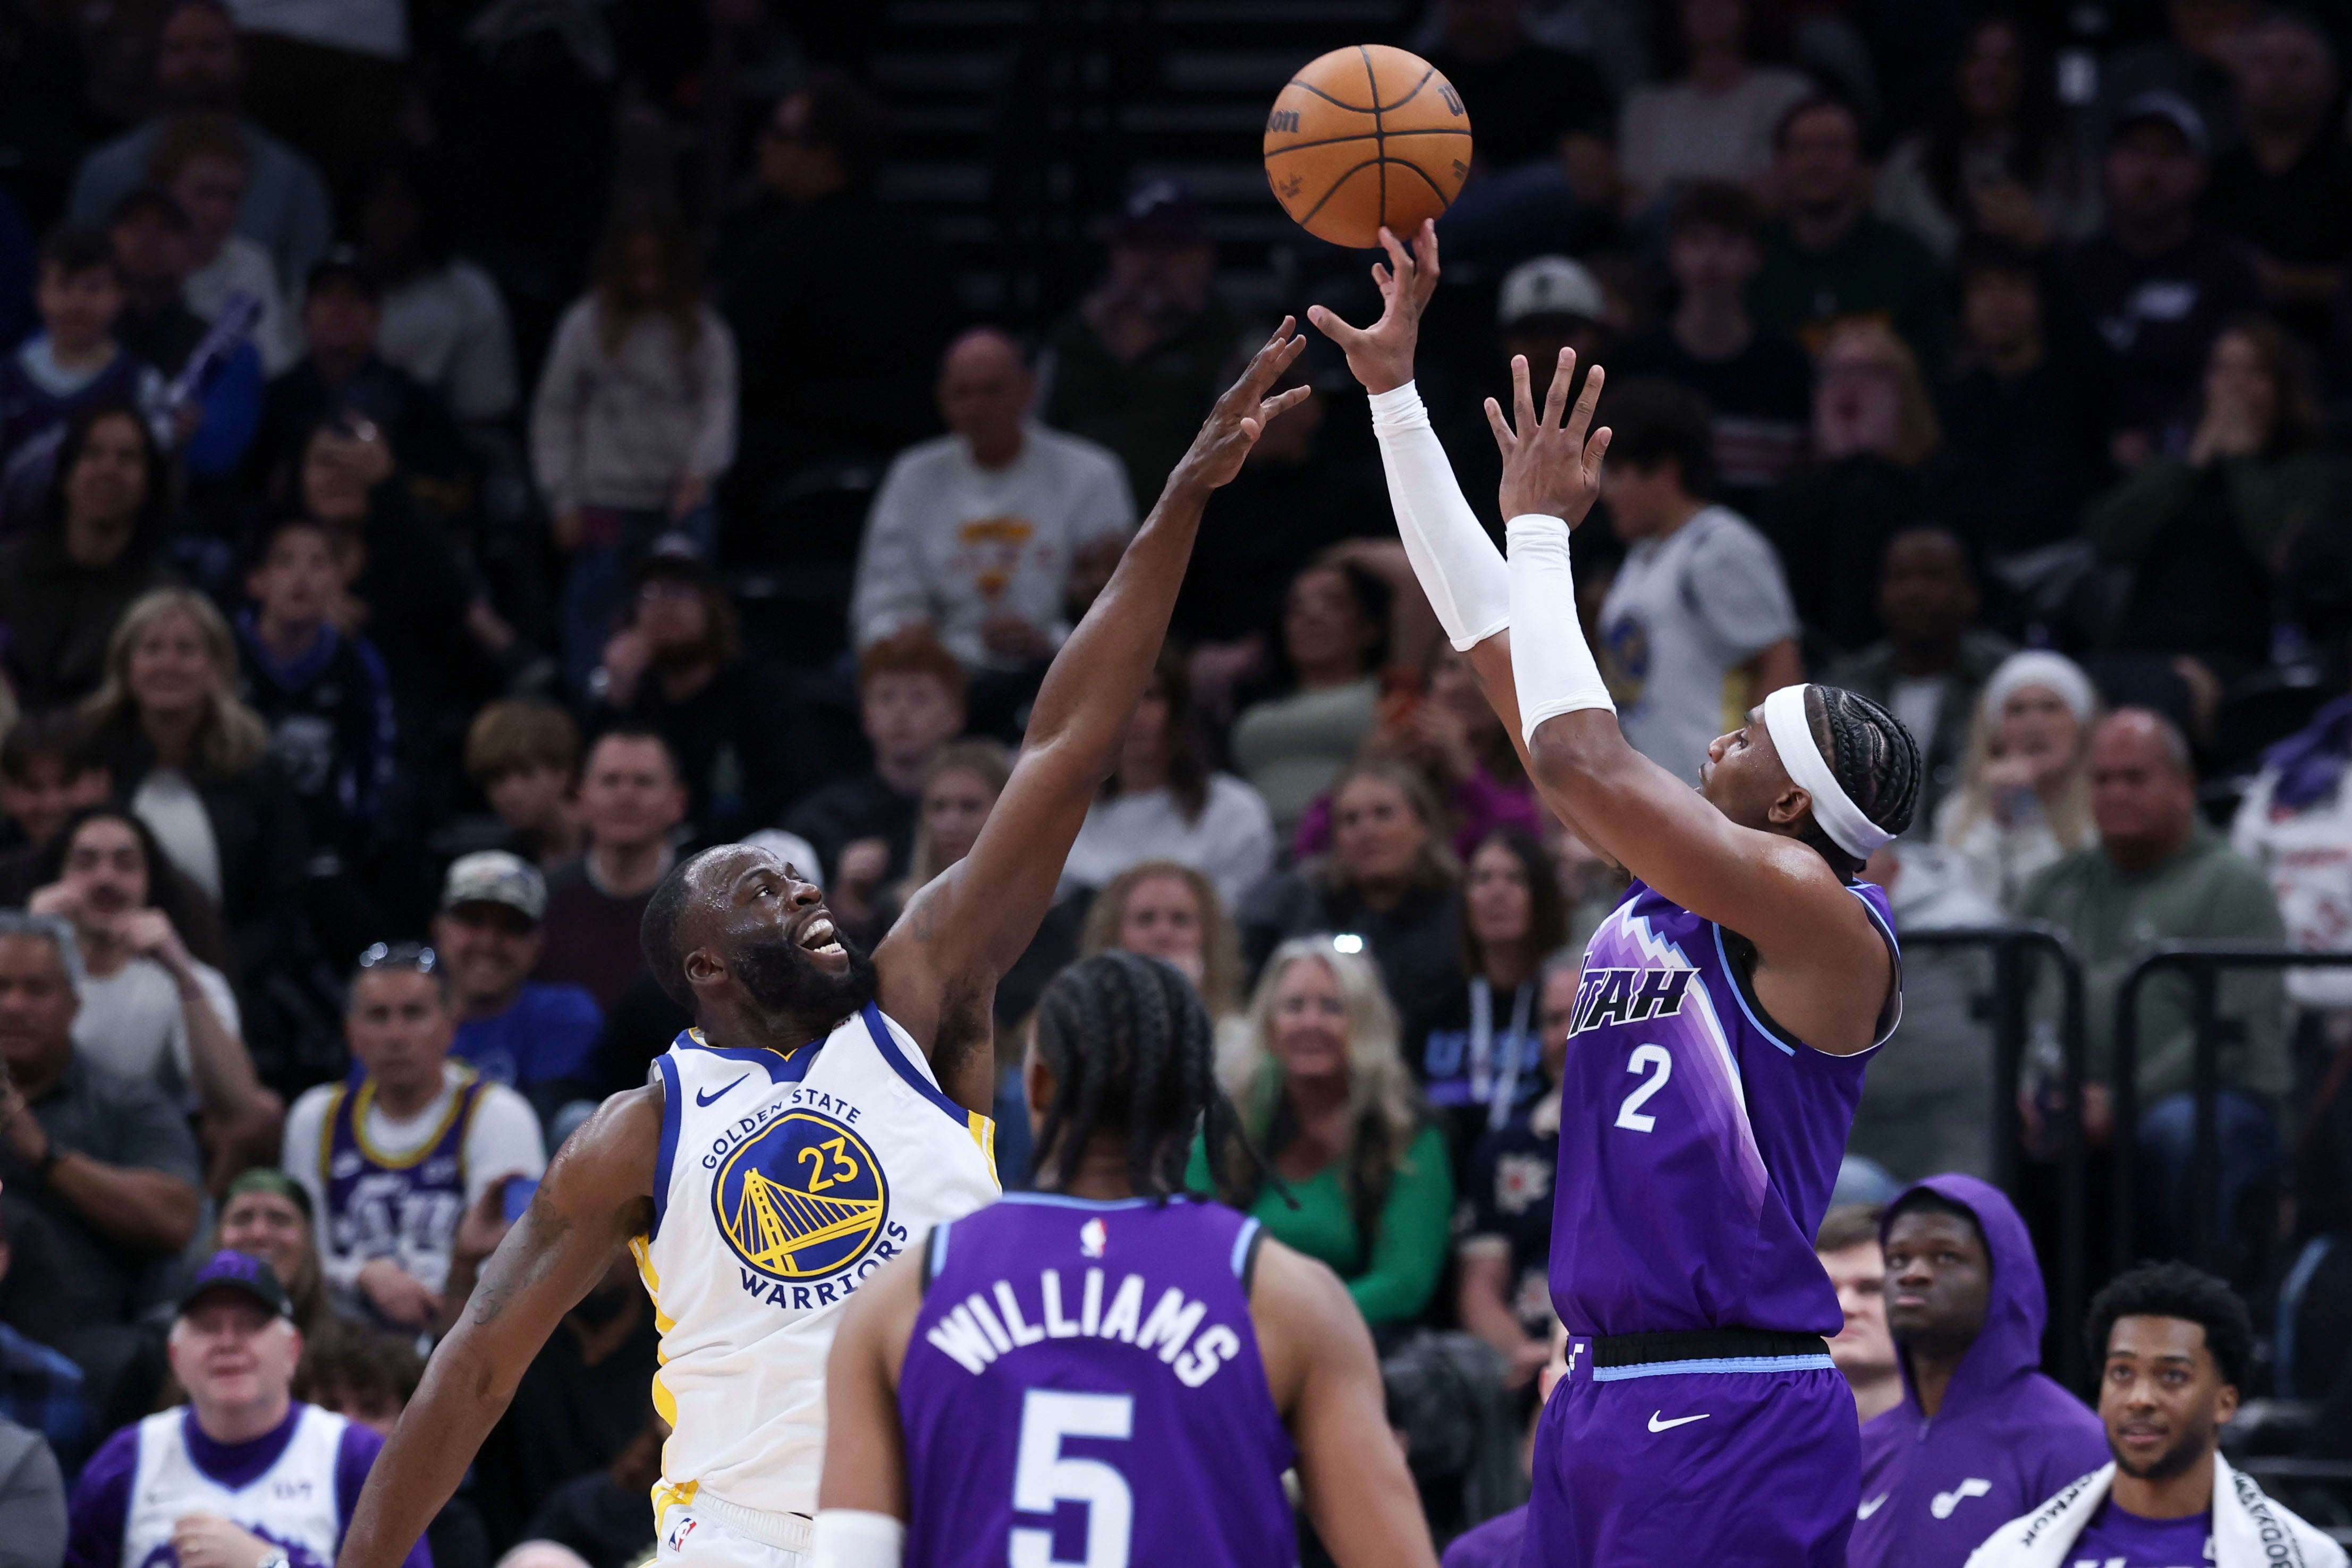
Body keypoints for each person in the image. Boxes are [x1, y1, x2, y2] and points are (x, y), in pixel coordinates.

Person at [332, 324, 1317, 1568]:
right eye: (759, 888)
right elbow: (474, 1370)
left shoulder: (919, 996)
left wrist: (1177, 500)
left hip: (943, 1526)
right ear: (704, 966)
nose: (798, 884)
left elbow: (1066, 743)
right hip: (739, 1533)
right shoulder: (639, 1129)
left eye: (795, 872)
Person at [1313, 218, 1919, 1566]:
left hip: (1729, 1405)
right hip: (1598, 1386)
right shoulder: (1676, 890)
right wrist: (1396, 401)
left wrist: (1542, 531)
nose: (1713, 737)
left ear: (1790, 805)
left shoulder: (1824, 920)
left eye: (1746, 733)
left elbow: (1576, 753)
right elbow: (1489, 637)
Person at [816, 950, 1440, 1568]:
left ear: (1039, 1084)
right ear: (1194, 1092)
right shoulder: (1285, 1296)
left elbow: (850, 1554)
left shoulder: (905, 1292)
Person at [2016, 709, 2291, 1261]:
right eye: (2102, 779)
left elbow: (2229, 1032)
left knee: (2179, 1130)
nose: (2116, 793)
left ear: (2184, 786)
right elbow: (2008, 1003)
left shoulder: (2233, 884)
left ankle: (2193, 1299)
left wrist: (2122, 1101)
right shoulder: (2055, 885)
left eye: (2135, 777)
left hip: (2212, 1101)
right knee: (1989, 1122)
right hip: (2072, 1099)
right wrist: (2024, 1086)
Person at [1964, 1261, 2348, 1568]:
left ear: (2226, 1403)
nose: (2140, 1399)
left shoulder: (2310, 1559)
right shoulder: (2008, 1554)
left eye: (2172, 1376)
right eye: (2122, 1373)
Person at [63, 1251, 430, 1568]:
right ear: (175, 1355)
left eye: (250, 1325)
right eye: (208, 1326)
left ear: (292, 1350)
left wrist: (269, 1564)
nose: (227, 1342)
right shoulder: (127, 1459)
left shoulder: (355, 1456)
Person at [282, 944, 547, 1335]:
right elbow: (301, 1260)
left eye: (414, 1013)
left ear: (450, 1025)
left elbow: (518, 1266)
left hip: (466, 1335)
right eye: (378, 1016)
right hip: (340, 1345)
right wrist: (362, 1275)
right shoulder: (316, 1117)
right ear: (352, 1034)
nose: (396, 1035)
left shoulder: (500, 1115)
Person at [1191, 937, 1452, 1332]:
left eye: (1332, 1007)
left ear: (1365, 1024)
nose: (1310, 1023)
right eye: (1294, 1007)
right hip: (1225, 1333)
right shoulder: (1229, 1122)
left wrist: (1289, 1324)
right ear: (1268, 1024)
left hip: (1358, 1343)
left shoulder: (1408, 1133)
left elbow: (1404, 1284)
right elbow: (1187, 1239)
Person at [850, 328, 1136, 684]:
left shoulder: (1091, 473)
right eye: (963, 393)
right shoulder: (913, 476)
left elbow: (1120, 604)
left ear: (1027, 390)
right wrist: (913, 643)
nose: (978, 408)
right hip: (941, 677)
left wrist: (1051, 642)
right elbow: (883, 602)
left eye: (993, 390)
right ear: (942, 399)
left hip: (1061, 671)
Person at [1849, 1177, 2108, 1568]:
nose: (1912, 1274)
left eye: (1946, 1256)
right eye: (1898, 1259)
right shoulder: (1862, 1447)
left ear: (2003, 1277)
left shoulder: (2073, 1443)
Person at [719, 74, 959, 497]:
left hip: (795, 456)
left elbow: (742, 366)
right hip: (902, 445)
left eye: (780, 135)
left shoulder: (776, 249)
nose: (763, 145)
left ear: (825, 154)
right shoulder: (919, 240)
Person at [531, 212, 739, 693]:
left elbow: (719, 408)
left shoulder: (704, 331)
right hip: (604, 501)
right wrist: (562, 499)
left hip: (678, 503)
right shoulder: (584, 325)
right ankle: (595, 707)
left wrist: (701, 470)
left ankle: (692, 701)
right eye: (636, 267)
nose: (647, 280)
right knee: (594, 623)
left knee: (692, 624)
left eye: (657, 267)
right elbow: (554, 413)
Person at [0, 912, 202, 1391]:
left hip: (84, 1350)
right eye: (1, 987)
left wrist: (46, 1154)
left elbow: (176, 1218)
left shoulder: (128, 1103)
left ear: (75, 1003)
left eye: (36, 989)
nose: (14, 1005)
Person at [80, 587, 307, 1000]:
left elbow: (282, 906)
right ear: (126, 665)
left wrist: (212, 976)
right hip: (98, 980)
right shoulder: (88, 757)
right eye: (152, 648)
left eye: (186, 650)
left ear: (217, 666)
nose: (168, 663)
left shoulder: (257, 769)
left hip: (231, 982)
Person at [30, 807, 273, 1169]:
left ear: (149, 881)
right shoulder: (17, 974)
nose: (105, 878)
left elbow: (238, 1107)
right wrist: (26, 940)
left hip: (144, 1163)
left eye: (125, 864)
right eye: (85, 863)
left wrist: (183, 977)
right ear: (58, 878)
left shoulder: (191, 978)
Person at [2088, 317, 2330, 680]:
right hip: (2139, 647)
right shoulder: (2176, 470)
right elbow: (2104, 539)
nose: (2235, 386)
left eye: (2253, 372)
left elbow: (2282, 554)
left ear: (2281, 387)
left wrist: (2242, 461)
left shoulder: (2302, 474)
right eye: (2222, 370)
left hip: (2237, 654)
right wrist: (2190, 464)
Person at [1587, 375, 1801, 779]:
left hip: (1707, 788)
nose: (1604, 491)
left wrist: (1756, 782)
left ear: (1664, 470)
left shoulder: (1720, 546)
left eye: (1615, 471)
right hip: (1652, 790)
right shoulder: (1640, 558)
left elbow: (1779, 666)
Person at [65, 0, 332, 293]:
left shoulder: (293, 178)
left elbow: (308, 293)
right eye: (178, 49)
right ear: (157, 60)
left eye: (211, 47)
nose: (195, 63)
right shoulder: (106, 171)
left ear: (240, 58)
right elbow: (79, 278)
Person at [2060, 94, 2261, 458]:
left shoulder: (2229, 271)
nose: (2149, 171)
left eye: (2168, 155)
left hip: (2195, 460)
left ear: (2200, 172)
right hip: (2079, 458)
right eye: (2135, 152)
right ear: (2108, 165)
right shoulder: (2076, 269)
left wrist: (2163, 442)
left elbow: (2241, 380)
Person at [1040, 181, 1248, 504]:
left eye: (1172, 247)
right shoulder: (1073, 335)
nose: (1154, 263)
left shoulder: (1232, 338)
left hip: (1193, 512)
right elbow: (1035, 431)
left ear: (1204, 256)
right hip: (1077, 511)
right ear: (1116, 254)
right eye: (1139, 246)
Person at [588, 542, 809, 846]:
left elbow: (788, 796)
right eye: (651, 593)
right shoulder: (630, 700)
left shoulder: (760, 694)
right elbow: (588, 794)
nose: (664, 606)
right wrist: (616, 699)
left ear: (712, 608)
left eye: (680, 591)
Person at [1611, 182, 1812, 515]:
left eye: (1728, 240)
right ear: (1673, 253)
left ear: (1756, 256)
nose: (1711, 257)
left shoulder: (1787, 364)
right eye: (1696, 240)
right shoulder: (1638, 361)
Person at [244, 252, 475, 525]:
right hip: (293, 536)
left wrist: (387, 479)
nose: (340, 309)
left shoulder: (413, 400)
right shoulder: (275, 399)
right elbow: (249, 489)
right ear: (306, 314)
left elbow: (451, 489)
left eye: (354, 298)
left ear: (376, 316)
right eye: (327, 297)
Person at [1238, 759, 1465, 1030]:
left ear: (1423, 826)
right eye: (1350, 820)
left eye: (1383, 814)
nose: (1366, 832)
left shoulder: (1462, 912)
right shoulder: (1293, 906)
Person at [234, 514, 397, 889]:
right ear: (257, 581)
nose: (302, 576)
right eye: (285, 561)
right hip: (239, 829)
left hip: (327, 839)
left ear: (338, 582)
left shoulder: (357, 663)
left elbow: (374, 759)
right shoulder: (223, 653)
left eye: (318, 563)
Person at [1766, 321, 1948, 654]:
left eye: (1869, 374)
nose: (1849, 387)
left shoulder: (1938, 487)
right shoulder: (1794, 495)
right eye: (1836, 374)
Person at [1934, 236, 2116, 561]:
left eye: (2015, 285)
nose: (1999, 302)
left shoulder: (2080, 384)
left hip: (2071, 558)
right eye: (1982, 288)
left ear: (2042, 298)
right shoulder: (1954, 397)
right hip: (1979, 566)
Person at [1059, 649, 1275, 911]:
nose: (1134, 713)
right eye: (1119, 698)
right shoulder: (1067, 817)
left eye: (1149, 696)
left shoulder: (1234, 810)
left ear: (1177, 708)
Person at [1823, 528, 2012, 827]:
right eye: (1900, 577)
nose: (1915, 591)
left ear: (1969, 593)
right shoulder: (1844, 687)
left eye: (1933, 576)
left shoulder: (2006, 682)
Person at [1873, 16, 2096, 262]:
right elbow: (1883, 249)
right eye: (1976, 58)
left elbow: (2089, 256)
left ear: (2027, 73)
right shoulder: (1910, 161)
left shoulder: (2063, 165)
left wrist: (2041, 242)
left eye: (2006, 61)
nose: (1989, 73)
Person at [1848, 838, 2004, 1183]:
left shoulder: (1961, 927)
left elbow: (1950, 1051)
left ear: (1895, 868)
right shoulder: (1813, 922)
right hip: (1861, 1126)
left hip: (1949, 1128)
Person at [0, 404, 176, 710]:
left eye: (127, 458)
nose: (108, 470)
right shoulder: (6, 570)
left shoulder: (164, 599)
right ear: (65, 475)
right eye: (92, 453)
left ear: (148, 483)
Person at [1748, 97, 1945, 367]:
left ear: (1862, 164)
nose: (1817, 163)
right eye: (1803, 149)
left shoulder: (1907, 262)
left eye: (1834, 148)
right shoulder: (1750, 263)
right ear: (1780, 163)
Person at [1454, 951, 1576, 1386]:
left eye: (1581, 1013)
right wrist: (1530, 1357)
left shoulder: (1664, 1137)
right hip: (1529, 1369)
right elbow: (1480, 1288)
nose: (1566, 1035)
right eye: (1553, 1020)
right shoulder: (1505, 1149)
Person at [2203, 13, 2352, 345]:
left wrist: (2293, 282)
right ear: (2241, 75)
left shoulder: (2345, 174)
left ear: (2330, 79)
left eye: (2296, 63)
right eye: (2265, 62)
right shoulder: (2211, 178)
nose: (2279, 75)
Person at [782, 630, 966, 898]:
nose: (901, 712)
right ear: (866, 717)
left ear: (955, 715)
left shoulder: (985, 810)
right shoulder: (823, 821)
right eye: (886, 697)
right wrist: (840, 896)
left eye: (920, 697)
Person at [0, 226, 166, 519]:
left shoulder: (143, 386)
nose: (77, 304)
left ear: (120, 296)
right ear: (40, 293)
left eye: (93, 288)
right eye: (64, 286)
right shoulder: (8, 376)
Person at [105, 185, 265, 485]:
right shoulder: (76, 340)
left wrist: (185, 434)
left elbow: (218, 455)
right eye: (134, 225)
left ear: (191, 253)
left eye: (166, 228)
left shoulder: (224, 349)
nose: (148, 238)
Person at [1416, 830, 1564, 1147]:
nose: (1497, 893)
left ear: (1542, 896)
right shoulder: (1430, 1009)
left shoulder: (1564, 1006)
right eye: (1482, 879)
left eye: (1516, 879)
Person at [433, 853, 603, 1129]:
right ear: (440, 930)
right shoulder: (400, 1013)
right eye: (473, 921)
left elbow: (540, 1125)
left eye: (512, 927)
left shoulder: (563, 1014)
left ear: (538, 943)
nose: (488, 943)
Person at [350, 154, 518, 431]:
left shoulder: (471, 294)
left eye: (402, 202)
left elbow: (486, 410)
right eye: (378, 200)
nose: (388, 216)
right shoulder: (332, 278)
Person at [1228, 560, 1391, 842]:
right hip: (1254, 849)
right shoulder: (1258, 707)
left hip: (1344, 843)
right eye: (1297, 608)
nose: (1312, 615)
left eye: (1335, 603)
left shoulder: (1389, 696)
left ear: (1370, 627)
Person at [534, 727, 687, 1013]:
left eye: (644, 782)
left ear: (677, 802)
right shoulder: (545, 898)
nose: (626, 796)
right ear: (581, 797)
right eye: (610, 781)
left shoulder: (704, 900)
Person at [1935, 651, 2100, 912]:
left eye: (2050, 708)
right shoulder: (1957, 813)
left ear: (2081, 725)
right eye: (2017, 710)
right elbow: (1963, 906)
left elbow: (2058, 906)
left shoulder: (2104, 808)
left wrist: (2026, 813)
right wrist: (1996, 821)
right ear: (1996, 730)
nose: (2034, 725)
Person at [1614, 0, 1812, 204]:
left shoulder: (1786, 93)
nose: (1710, 8)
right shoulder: (1645, 105)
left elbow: (1784, 182)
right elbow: (1633, 198)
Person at [149, 114, 297, 374]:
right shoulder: (136, 261)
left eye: (232, 197)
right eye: (206, 193)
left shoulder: (252, 263)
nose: (220, 211)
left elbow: (271, 365)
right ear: (167, 190)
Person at [1077, 860, 1245, 1020]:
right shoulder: (1077, 1023)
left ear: (1208, 937)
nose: (1163, 934)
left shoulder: (1234, 1034)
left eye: (1180, 920)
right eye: (1145, 919)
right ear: (1113, 935)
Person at [214, 1167, 339, 1341]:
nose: (259, 1234)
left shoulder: (353, 1347)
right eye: (242, 1219)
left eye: (280, 1220)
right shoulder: (177, 1335)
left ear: (309, 1238)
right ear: (216, 1237)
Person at [462, 703, 582, 871]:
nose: (512, 793)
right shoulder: (503, 858)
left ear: (563, 772)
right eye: (497, 778)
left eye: (526, 774)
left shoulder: (607, 839)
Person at [1814, 1204, 1899, 1423]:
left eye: (1871, 1288)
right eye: (1828, 1290)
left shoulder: (1974, 1434)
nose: (1844, 1307)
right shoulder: (1763, 1434)